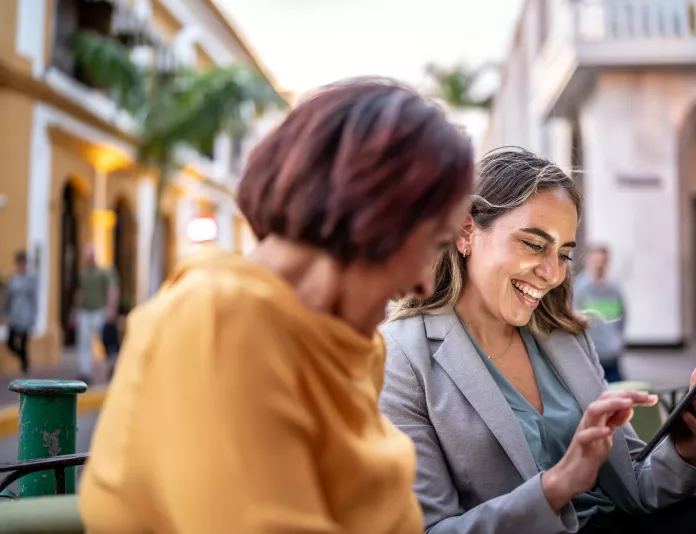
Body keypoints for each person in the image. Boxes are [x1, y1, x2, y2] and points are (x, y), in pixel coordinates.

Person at [79, 78, 475, 533]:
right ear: (375, 213)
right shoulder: (218, 319)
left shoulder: (348, 342)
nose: (426, 283)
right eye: (435, 243)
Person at [380, 146, 696, 534]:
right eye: (533, 244)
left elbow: (637, 487)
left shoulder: (563, 336)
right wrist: (557, 486)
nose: (553, 272)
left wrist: (688, 445)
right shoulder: (400, 356)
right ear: (466, 232)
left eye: (563, 253)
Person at [573, 246, 626, 383]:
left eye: (603, 261)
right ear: (588, 261)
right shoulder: (578, 289)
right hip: (591, 356)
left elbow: (622, 318)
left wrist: (618, 342)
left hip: (612, 355)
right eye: (596, 260)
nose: (599, 265)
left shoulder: (614, 289)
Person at [72, 244, 118, 385]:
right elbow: (79, 292)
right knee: (84, 342)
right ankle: (85, 372)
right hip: (86, 311)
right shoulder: (83, 274)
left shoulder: (102, 273)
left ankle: (112, 363)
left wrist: (111, 309)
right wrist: (75, 310)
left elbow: (111, 289)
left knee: (105, 339)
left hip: (100, 311)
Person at [1, 250, 37, 374]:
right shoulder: (13, 279)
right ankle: (24, 360)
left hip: (26, 316)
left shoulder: (31, 279)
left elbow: (34, 300)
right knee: (11, 343)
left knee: (23, 343)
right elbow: (8, 298)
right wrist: (3, 313)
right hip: (15, 315)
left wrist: (33, 318)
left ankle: (25, 367)